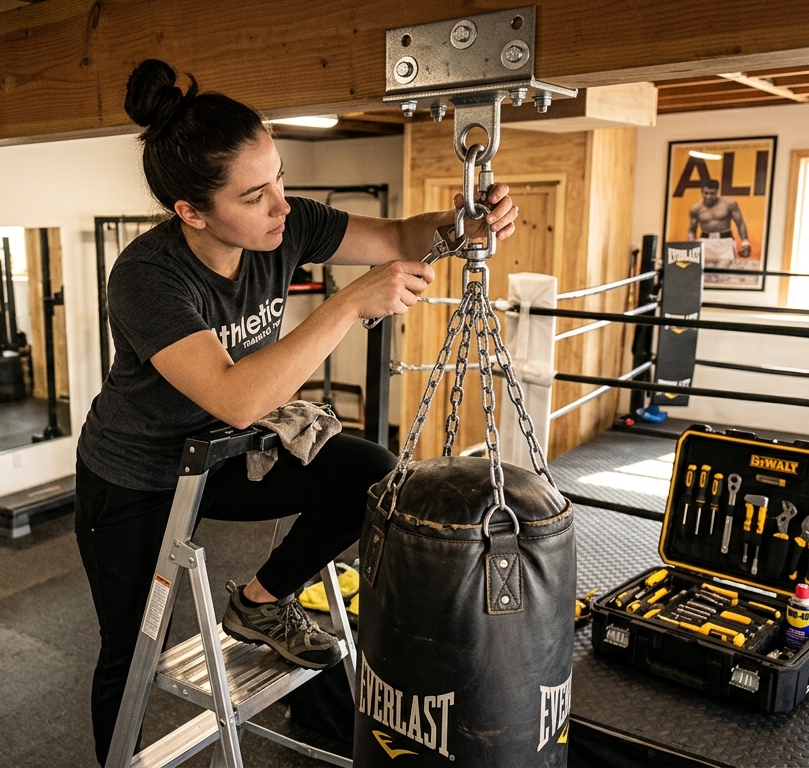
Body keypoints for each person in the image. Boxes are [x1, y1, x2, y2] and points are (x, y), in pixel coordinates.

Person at [74, 59, 519, 764]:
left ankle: (257, 599)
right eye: (255, 196)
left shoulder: (290, 226)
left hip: (221, 454)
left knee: (371, 475)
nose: (282, 204)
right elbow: (239, 394)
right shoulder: (145, 278)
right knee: (129, 650)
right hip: (135, 477)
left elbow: (405, 236)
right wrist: (347, 303)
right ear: (191, 212)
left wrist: (463, 221)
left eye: (279, 177)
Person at [687, 179, 752, 259]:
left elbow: (740, 223)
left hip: (725, 242)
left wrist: (745, 242)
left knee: (727, 270)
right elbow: (692, 230)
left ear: (717, 192)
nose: (708, 196)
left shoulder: (729, 204)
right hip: (705, 242)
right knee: (705, 270)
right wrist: (690, 246)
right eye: (706, 193)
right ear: (701, 192)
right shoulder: (695, 208)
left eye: (712, 193)